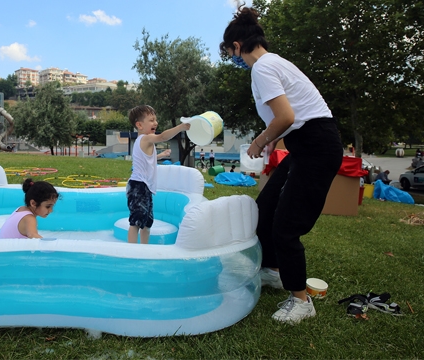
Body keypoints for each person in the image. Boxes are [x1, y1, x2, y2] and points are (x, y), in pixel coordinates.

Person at [220, 6, 343, 324]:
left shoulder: (262, 68)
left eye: (231, 53)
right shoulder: (273, 63)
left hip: (317, 147)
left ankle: (301, 302)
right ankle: (274, 272)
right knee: (266, 208)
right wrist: (275, 140)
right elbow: (292, 117)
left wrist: (260, 141)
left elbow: (286, 116)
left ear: (237, 46)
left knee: (286, 226)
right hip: (304, 145)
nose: (234, 59)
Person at [127, 105, 190, 244]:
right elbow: (162, 137)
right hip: (138, 186)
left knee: (147, 223)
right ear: (139, 125)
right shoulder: (145, 138)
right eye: (151, 120)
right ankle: (130, 252)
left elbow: (146, 160)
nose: (155, 123)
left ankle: (144, 249)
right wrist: (180, 128)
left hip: (145, 187)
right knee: (136, 221)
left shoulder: (145, 142)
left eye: (155, 119)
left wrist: (161, 155)